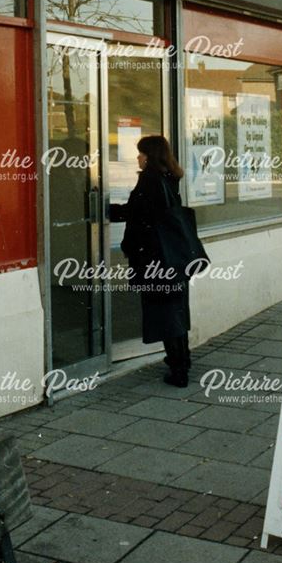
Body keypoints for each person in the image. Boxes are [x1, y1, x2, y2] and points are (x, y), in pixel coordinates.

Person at [110, 135, 192, 387]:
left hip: (156, 259)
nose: (138, 157)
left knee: (164, 312)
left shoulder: (150, 180)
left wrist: (110, 211)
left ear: (150, 155)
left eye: (141, 153)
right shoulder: (171, 176)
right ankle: (182, 358)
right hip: (173, 256)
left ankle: (178, 371)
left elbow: (137, 214)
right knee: (175, 309)